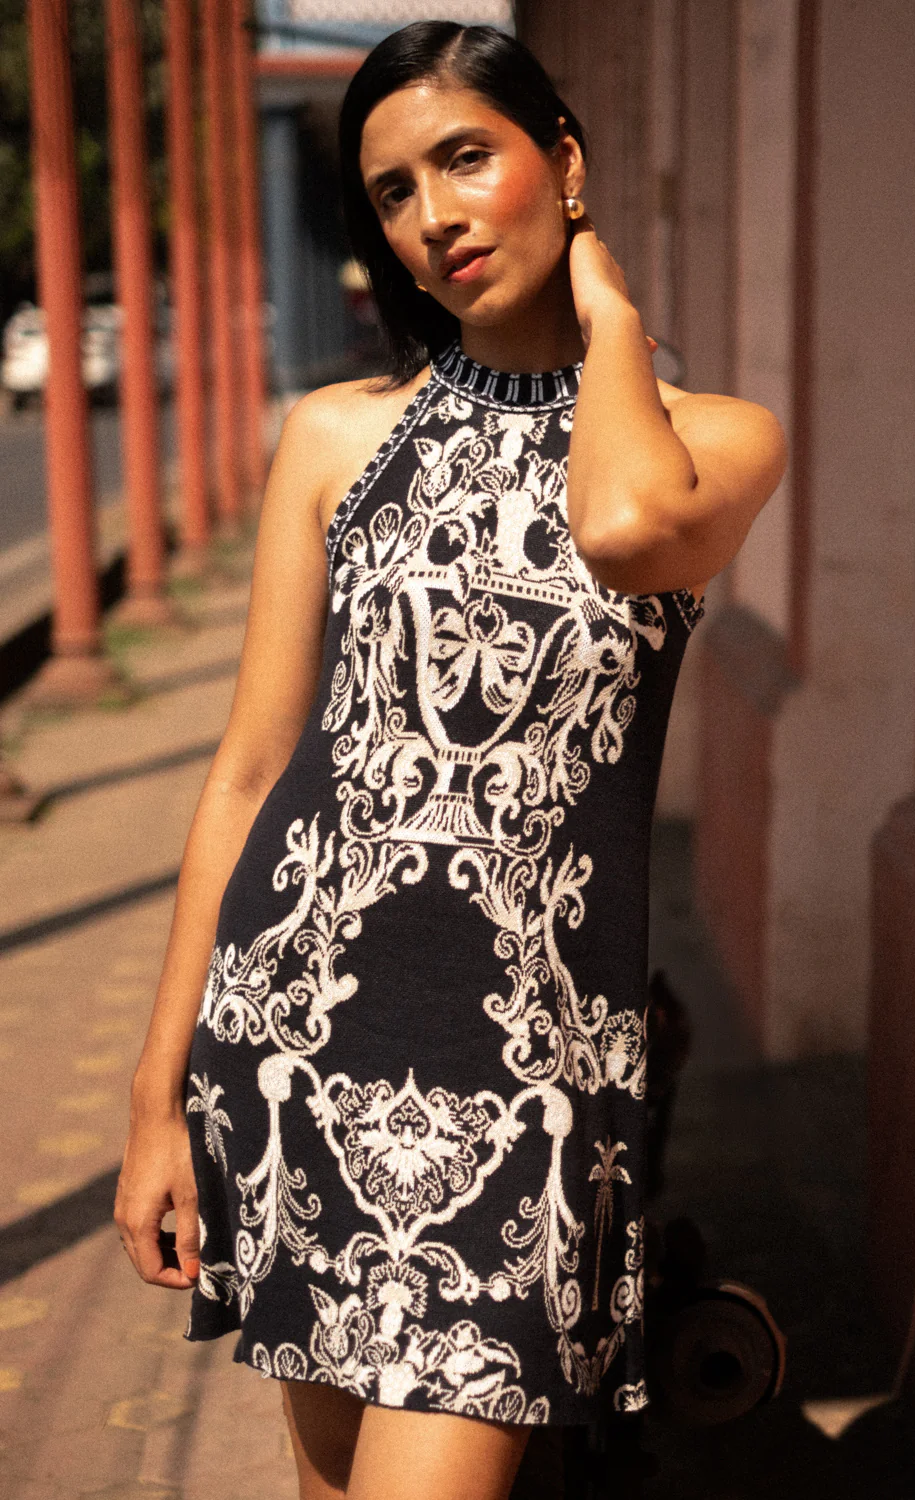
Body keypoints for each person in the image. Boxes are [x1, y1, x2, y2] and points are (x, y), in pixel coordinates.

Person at [114, 20, 785, 1500]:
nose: (434, 216)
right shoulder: (336, 439)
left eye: (466, 159)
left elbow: (622, 528)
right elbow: (250, 771)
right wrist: (156, 1099)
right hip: (294, 1046)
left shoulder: (714, 440)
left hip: (532, 1085)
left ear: (565, 161)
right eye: (395, 193)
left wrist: (610, 317)